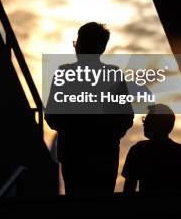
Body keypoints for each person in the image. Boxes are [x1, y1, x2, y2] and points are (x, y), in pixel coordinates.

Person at [45, 22, 134, 195]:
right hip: (105, 155)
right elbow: (126, 117)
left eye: (78, 42)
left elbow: (52, 116)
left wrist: (72, 127)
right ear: (102, 47)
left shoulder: (64, 74)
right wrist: (110, 134)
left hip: (74, 156)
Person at [122, 104, 181, 193]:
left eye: (148, 119)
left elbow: (128, 189)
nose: (144, 123)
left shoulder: (138, 151)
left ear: (157, 124)